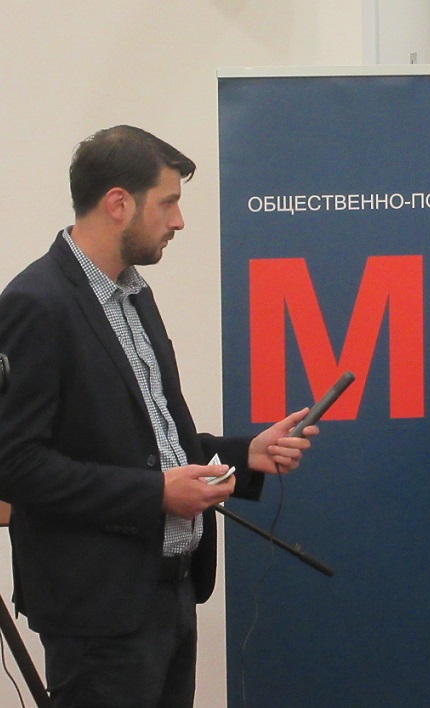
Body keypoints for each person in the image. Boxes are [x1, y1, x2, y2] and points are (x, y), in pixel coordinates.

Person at [0, 125, 319, 708]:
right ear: (118, 203)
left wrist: (244, 453)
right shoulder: (35, 303)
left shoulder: (135, 295)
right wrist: (155, 495)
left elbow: (152, 441)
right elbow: (15, 465)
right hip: (98, 617)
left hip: (170, 595)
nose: (179, 221)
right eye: (168, 202)